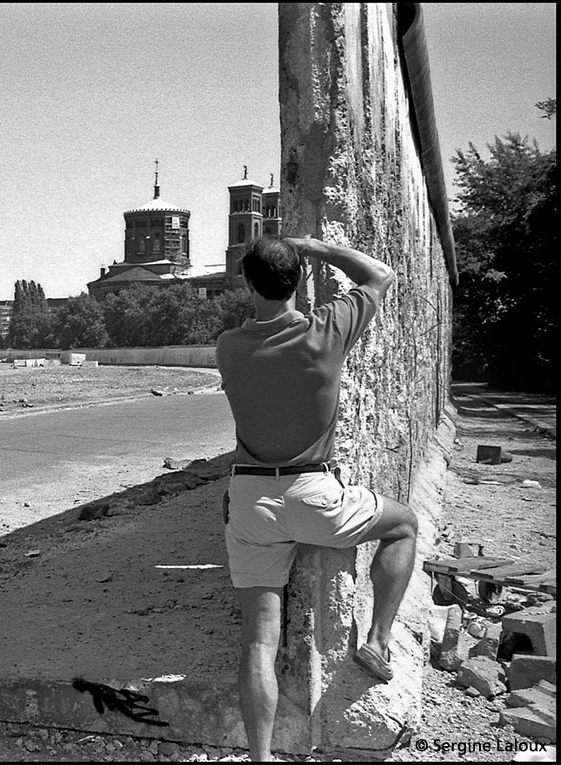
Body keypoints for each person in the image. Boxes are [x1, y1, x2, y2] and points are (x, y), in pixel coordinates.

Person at [215, 236, 419, 763]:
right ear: (301, 280)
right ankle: (377, 639)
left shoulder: (229, 346)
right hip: (313, 494)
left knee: (258, 641)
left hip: (251, 498)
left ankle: (261, 758)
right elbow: (379, 273)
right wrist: (314, 247)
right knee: (404, 524)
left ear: (246, 282)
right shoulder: (324, 332)